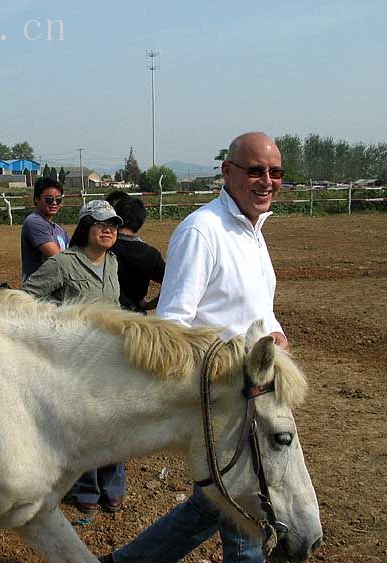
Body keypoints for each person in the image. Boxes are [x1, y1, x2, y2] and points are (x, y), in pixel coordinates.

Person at [103, 132, 289, 563]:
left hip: (252, 399)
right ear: (227, 172)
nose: (267, 181)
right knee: (244, 517)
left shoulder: (253, 232)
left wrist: (275, 333)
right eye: (255, 170)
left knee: (209, 509)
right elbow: (173, 326)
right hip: (223, 401)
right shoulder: (203, 230)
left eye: (274, 172)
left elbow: (257, 310)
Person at [22, 200, 126, 513]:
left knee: (118, 419)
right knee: (85, 424)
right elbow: (27, 295)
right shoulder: (64, 263)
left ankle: (112, 486)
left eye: (113, 225)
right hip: (76, 360)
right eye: (101, 223)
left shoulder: (113, 262)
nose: (109, 230)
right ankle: (85, 491)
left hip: (111, 355)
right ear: (85, 228)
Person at [109, 196, 165, 313]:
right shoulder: (151, 255)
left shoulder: (104, 248)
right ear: (141, 221)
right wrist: (149, 305)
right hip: (136, 316)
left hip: (107, 316)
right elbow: (170, 283)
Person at [20, 177, 70, 281]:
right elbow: (58, 258)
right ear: (36, 199)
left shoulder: (59, 229)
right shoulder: (34, 222)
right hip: (37, 289)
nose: (54, 203)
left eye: (58, 200)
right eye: (49, 200)